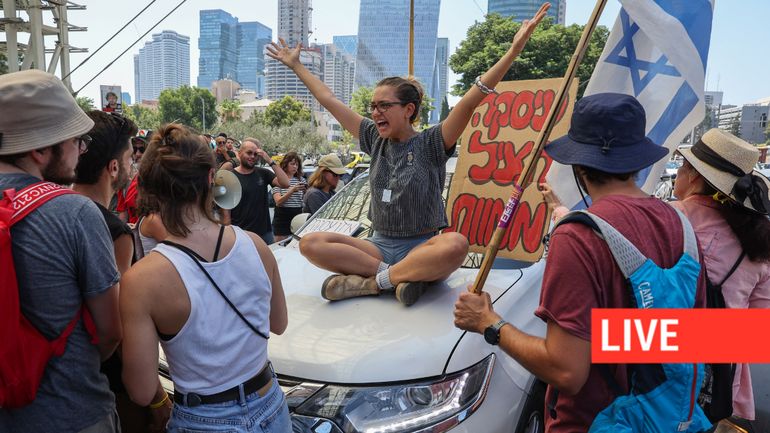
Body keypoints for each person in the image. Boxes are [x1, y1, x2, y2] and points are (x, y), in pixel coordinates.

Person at [453, 93, 708, 433]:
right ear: (636, 160)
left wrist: (489, 323)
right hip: (671, 420)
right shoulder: (681, 226)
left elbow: (566, 372)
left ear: (577, 165)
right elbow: (693, 336)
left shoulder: (576, 237)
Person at [266, 4, 551, 306]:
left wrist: (514, 50)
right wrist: (296, 66)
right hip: (376, 248)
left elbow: (470, 101)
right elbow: (329, 98)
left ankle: (374, 283)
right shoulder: (373, 137)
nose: (375, 112)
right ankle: (398, 277)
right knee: (311, 242)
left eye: (384, 105)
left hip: (424, 247)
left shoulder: (432, 142)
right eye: (373, 106)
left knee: (456, 244)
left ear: (409, 110)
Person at [120, 124, 290, 433]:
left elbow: (142, 391)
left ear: (150, 188)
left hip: (203, 420)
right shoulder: (256, 245)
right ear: (211, 179)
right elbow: (277, 324)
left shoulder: (141, 281)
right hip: (271, 405)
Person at [0, 70, 122, 432]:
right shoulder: (73, 212)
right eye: (76, 140)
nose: (81, 152)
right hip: (71, 413)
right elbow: (110, 332)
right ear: (39, 149)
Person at [671, 128, 770, 430]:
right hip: (715, 382)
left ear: (694, 176)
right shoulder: (759, 240)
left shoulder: (666, 218)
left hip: (658, 365)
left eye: (681, 167)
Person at [224, 137, 290, 244]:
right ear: (240, 153)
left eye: (255, 154)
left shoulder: (263, 173)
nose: (252, 157)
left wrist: (269, 160)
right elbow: (226, 211)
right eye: (249, 153)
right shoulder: (230, 176)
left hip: (264, 234)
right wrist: (228, 235)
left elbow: (286, 183)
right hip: (240, 235)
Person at [272, 151, 307, 241]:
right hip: (282, 216)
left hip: (297, 215)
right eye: (292, 164)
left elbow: (305, 201)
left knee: (296, 245)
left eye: (297, 164)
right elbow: (278, 202)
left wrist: (305, 192)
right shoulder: (278, 180)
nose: (295, 167)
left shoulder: (301, 180)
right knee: (280, 245)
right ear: (285, 164)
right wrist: (291, 191)